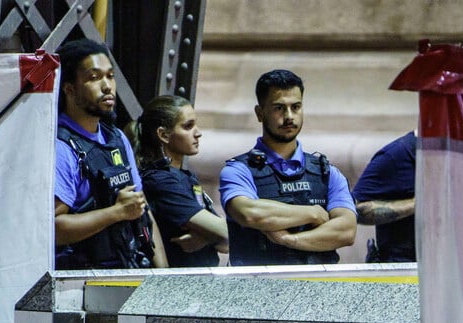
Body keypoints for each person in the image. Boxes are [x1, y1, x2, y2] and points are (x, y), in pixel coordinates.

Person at [218, 69, 356, 266]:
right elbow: (250, 213)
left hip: (319, 291)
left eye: (296, 107)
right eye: (279, 108)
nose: (289, 116)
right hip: (256, 290)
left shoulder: (327, 172)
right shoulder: (239, 171)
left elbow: (346, 231)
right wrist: (313, 213)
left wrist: (290, 240)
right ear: (260, 113)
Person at [53, 38, 166, 269]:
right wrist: (115, 213)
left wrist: (163, 279)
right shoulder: (60, 147)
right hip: (82, 282)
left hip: (128, 268)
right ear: (69, 89)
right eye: (94, 78)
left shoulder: (115, 137)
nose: (107, 86)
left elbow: (140, 208)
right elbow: (52, 229)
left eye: (110, 76)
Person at [127, 95, 227, 267]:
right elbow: (227, 234)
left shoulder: (185, 177)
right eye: (188, 126)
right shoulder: (160, 182)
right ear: (164, 135)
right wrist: (215, 236)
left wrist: (205, 237)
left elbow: (227, 243)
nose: (198, 133)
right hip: (180, 285)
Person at [352, 131, 417, 263]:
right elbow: (354, 209)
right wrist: (416, 205)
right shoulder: (397, 154)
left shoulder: (459, 154)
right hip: (402, 270)